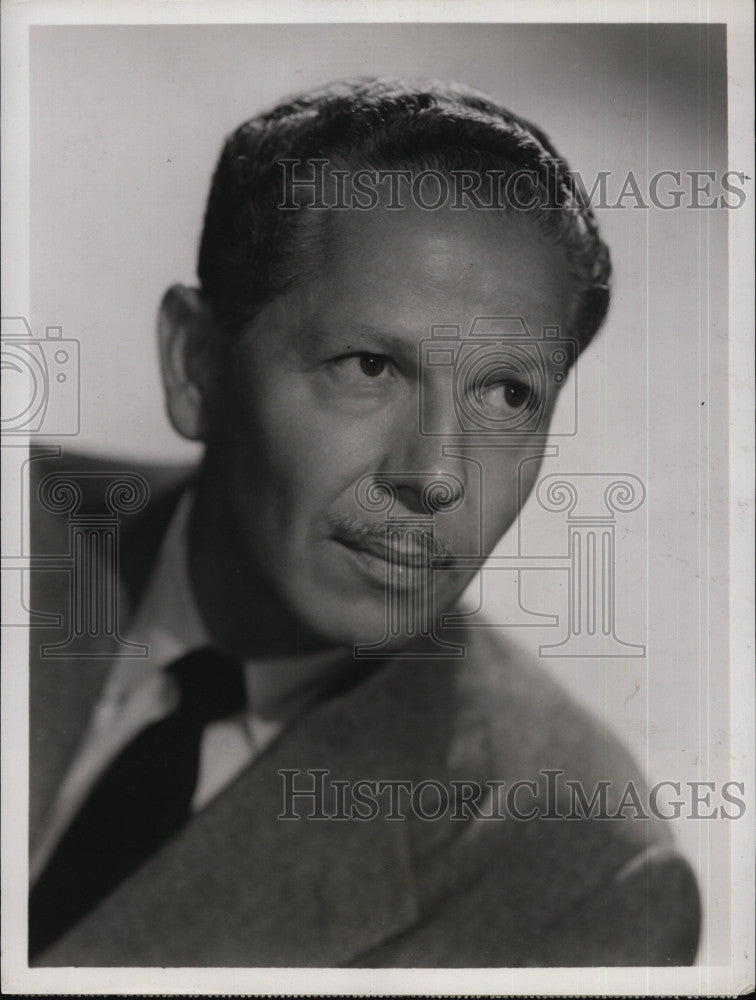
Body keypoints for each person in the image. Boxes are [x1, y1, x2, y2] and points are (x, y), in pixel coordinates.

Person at [27, 77, 700, 967]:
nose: (434, 477)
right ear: (196, 364)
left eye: (507, 395)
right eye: (370, 367)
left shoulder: (574, 879)